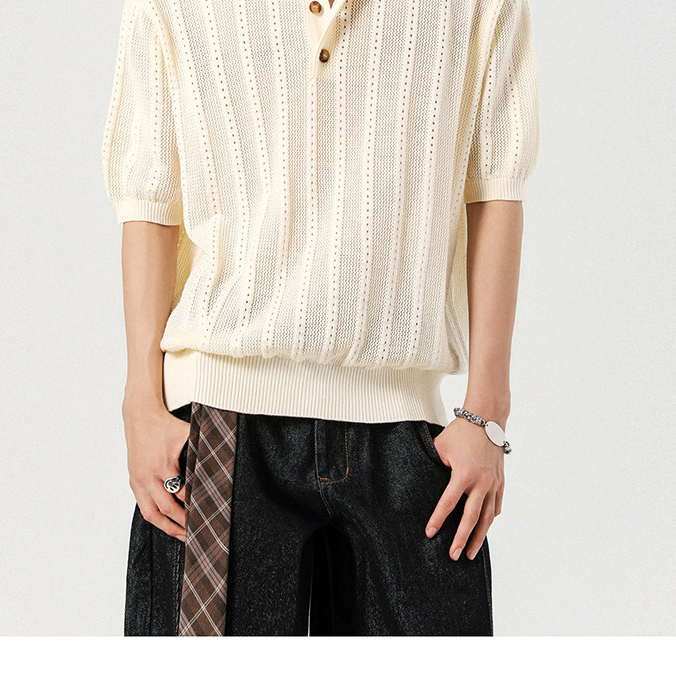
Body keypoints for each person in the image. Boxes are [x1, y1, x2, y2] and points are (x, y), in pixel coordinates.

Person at [101, 0, 540, 636]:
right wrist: (141, 402)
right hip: (221, 429)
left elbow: (497, 183)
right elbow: (149, 192)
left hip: (410, 437)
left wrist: (487, 413)